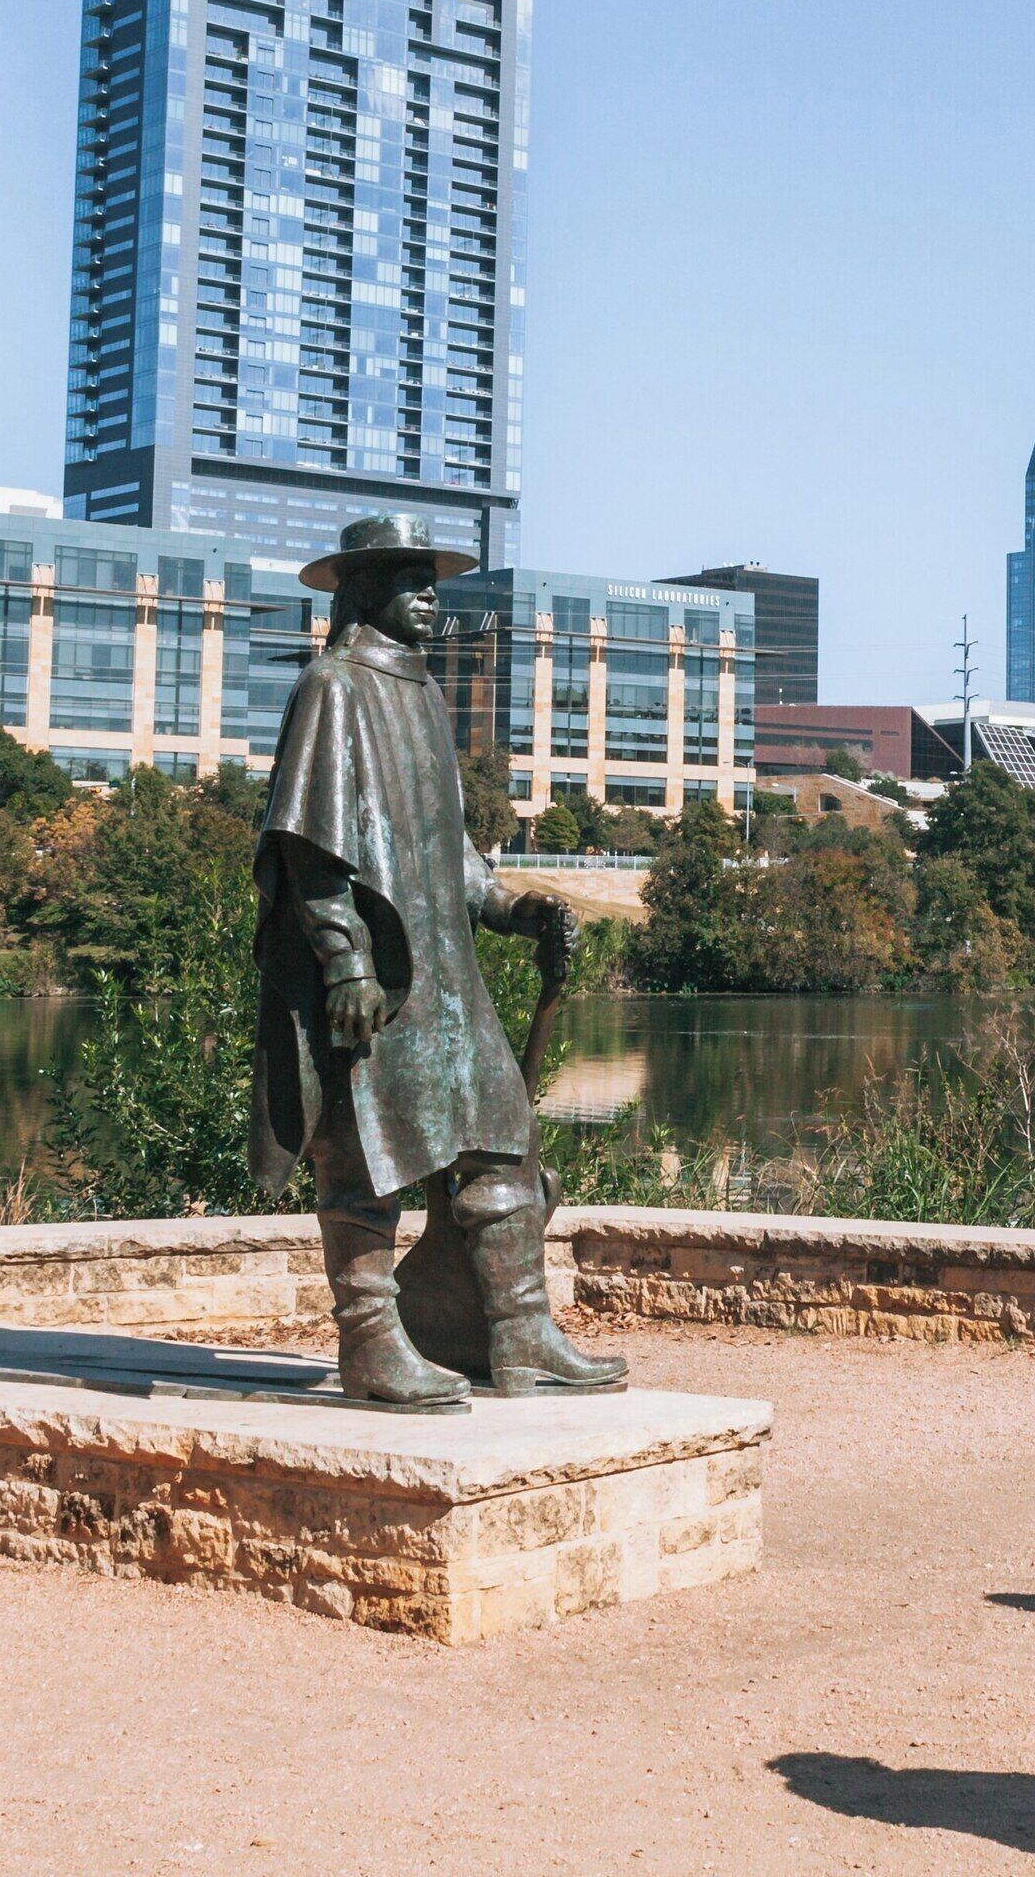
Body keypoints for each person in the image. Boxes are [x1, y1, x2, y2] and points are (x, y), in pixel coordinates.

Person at [248, 515, 627, 1404]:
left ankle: (519, 1331)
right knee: (361, 1161)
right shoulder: (330, 688)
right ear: (362, 588)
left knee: (504, 1146)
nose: (429, 591)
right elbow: (308, 846)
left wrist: (513, 906)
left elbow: (448, 853)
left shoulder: (421, 693)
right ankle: (372, 1342)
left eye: (432, 576)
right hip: (377, 977)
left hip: (448, 974)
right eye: (407, 576)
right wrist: (344, 961)